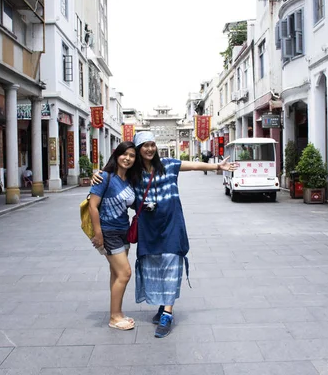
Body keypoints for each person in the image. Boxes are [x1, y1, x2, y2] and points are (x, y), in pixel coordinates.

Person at [93, 131, 237, 338]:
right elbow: (116, 174)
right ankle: (160, 306)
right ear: (138, 149)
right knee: (154, 266)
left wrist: (217, 166)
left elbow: (193, 165)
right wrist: (96, 174)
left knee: (171, 264)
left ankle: (167, 313)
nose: (150, 149)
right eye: (144, 145)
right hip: (148, 229)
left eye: (152, 144)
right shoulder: (134, 173)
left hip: (172, 226)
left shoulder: (168, 164)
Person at [88, 141, 141, 331]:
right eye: (124, 154)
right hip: (108, 232)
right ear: (117, 155)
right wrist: (98, 234)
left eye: (132, 156)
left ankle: (117, 312)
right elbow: (93, 206)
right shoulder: (104, 177)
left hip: (123, 230)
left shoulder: (129, 180)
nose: (127, 158)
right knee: (125, 273)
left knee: (116, 273)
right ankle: (114, 317)